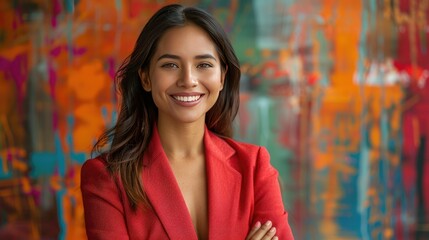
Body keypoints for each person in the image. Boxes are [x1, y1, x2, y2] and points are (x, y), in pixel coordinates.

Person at [80, 4, 294, 240]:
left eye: (203, 65)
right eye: (170, 65)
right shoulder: (106, 177)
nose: (188, 80)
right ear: (145, 78)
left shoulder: (255, 168)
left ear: (222, 76)